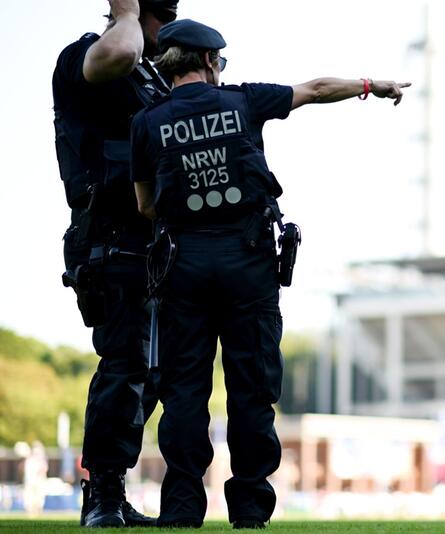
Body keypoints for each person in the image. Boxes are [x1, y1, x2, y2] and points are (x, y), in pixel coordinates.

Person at [129, 19, 410, 528]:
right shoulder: (244, 101)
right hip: (248, 263)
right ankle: (251, 510)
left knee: (184, 391)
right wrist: (373, 85)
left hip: (183, 269)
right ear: (210, 61)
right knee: (252, 388)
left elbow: (146, 204)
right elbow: (318, 89)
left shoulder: (147, 122)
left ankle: (182, 509)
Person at [52, 0, 179, 527]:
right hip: (110, 239)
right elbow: (122, 49)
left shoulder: (150, 77)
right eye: (162, 14)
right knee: (125, 366)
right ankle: (100, 498)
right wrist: (126, 10)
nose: (167, 26)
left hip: (154, 245)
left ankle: (114, 490)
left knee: (151, 374)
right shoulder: (89, 56)